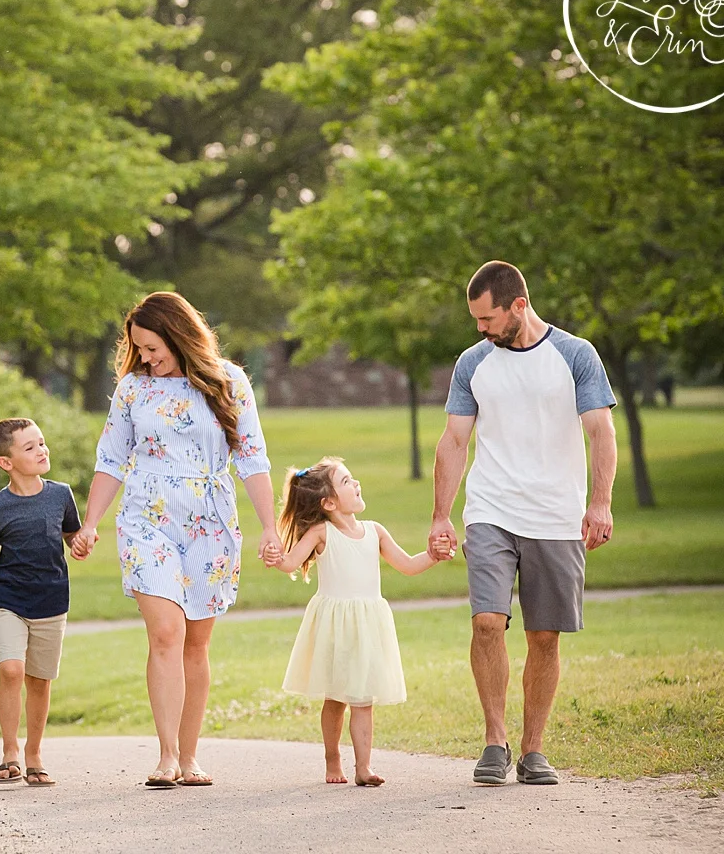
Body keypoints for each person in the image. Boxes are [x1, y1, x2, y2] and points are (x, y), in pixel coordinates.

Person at [70, 291, 283, 789]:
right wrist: (90, 521)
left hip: (211, 521)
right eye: (139, 349)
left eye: (151, 347)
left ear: (177, 333)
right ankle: (165, 757)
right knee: (166, 631)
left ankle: (190, 758)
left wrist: (270, 526)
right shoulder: (132, 390)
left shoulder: (230, 382)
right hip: (146, 518)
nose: (146, 357)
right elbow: (111, 458)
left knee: (197, 642)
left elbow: (252, 459)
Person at [428, 260, 618, 786]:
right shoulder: (473, 364)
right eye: (475, 320)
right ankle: (495, 741)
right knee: (487, 622)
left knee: (544, 637)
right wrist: (441, 515)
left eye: (487, 318)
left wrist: (599, 504)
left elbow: (601, 432)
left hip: (556, 515)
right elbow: (454, 440)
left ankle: (533, 751)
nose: (480, 329)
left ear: (518, 306)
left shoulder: (576, 355)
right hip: (491, 510)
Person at [275, 456, 446, 787]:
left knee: (363, 699)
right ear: (328, 502)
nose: (356, 484)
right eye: (347, 482)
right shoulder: (321, 533)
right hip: (335, 628)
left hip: (367, 627)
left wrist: (433, 555)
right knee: (336, 699)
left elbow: (408, 565)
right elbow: (290, 562)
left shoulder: (374, 532)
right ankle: (332, 758)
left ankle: (364, 766)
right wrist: (275, 556)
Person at [0, 417, 83, 787]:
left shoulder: (61, 495)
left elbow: (70, 536)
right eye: (30, 447)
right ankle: (10, 751)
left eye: (42, 442)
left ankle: (34, 753)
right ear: (7, 462)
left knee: (39, 680)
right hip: (9, 601)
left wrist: (80, 544)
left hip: (52, 600)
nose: (42, 450)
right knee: (11, 671)